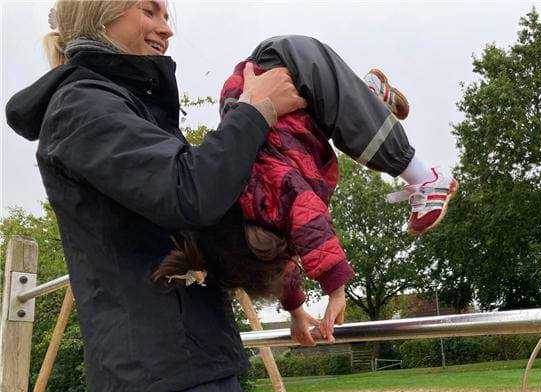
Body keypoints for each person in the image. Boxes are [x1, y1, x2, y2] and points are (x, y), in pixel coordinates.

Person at [5, 1, 305, 392]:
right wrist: (256, 109)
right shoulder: (81, 107)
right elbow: (187, 192)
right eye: (149, 9)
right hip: (159, 387)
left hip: (198, 370)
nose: (167, 26)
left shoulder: (131, 109)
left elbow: (209, 229)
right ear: (99, 14)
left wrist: (291, 290)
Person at [153, 35, 458, 347]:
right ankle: (370, 94)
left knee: (361, 137)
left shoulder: (263, 194)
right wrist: (296, 309)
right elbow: (280, 259)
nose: (279, 248)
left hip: (286, 66)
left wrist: (335, 287)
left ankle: (425, 178)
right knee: (342, 115)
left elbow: (309, 219)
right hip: (281, 107)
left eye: (269, 248)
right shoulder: (254, 231)